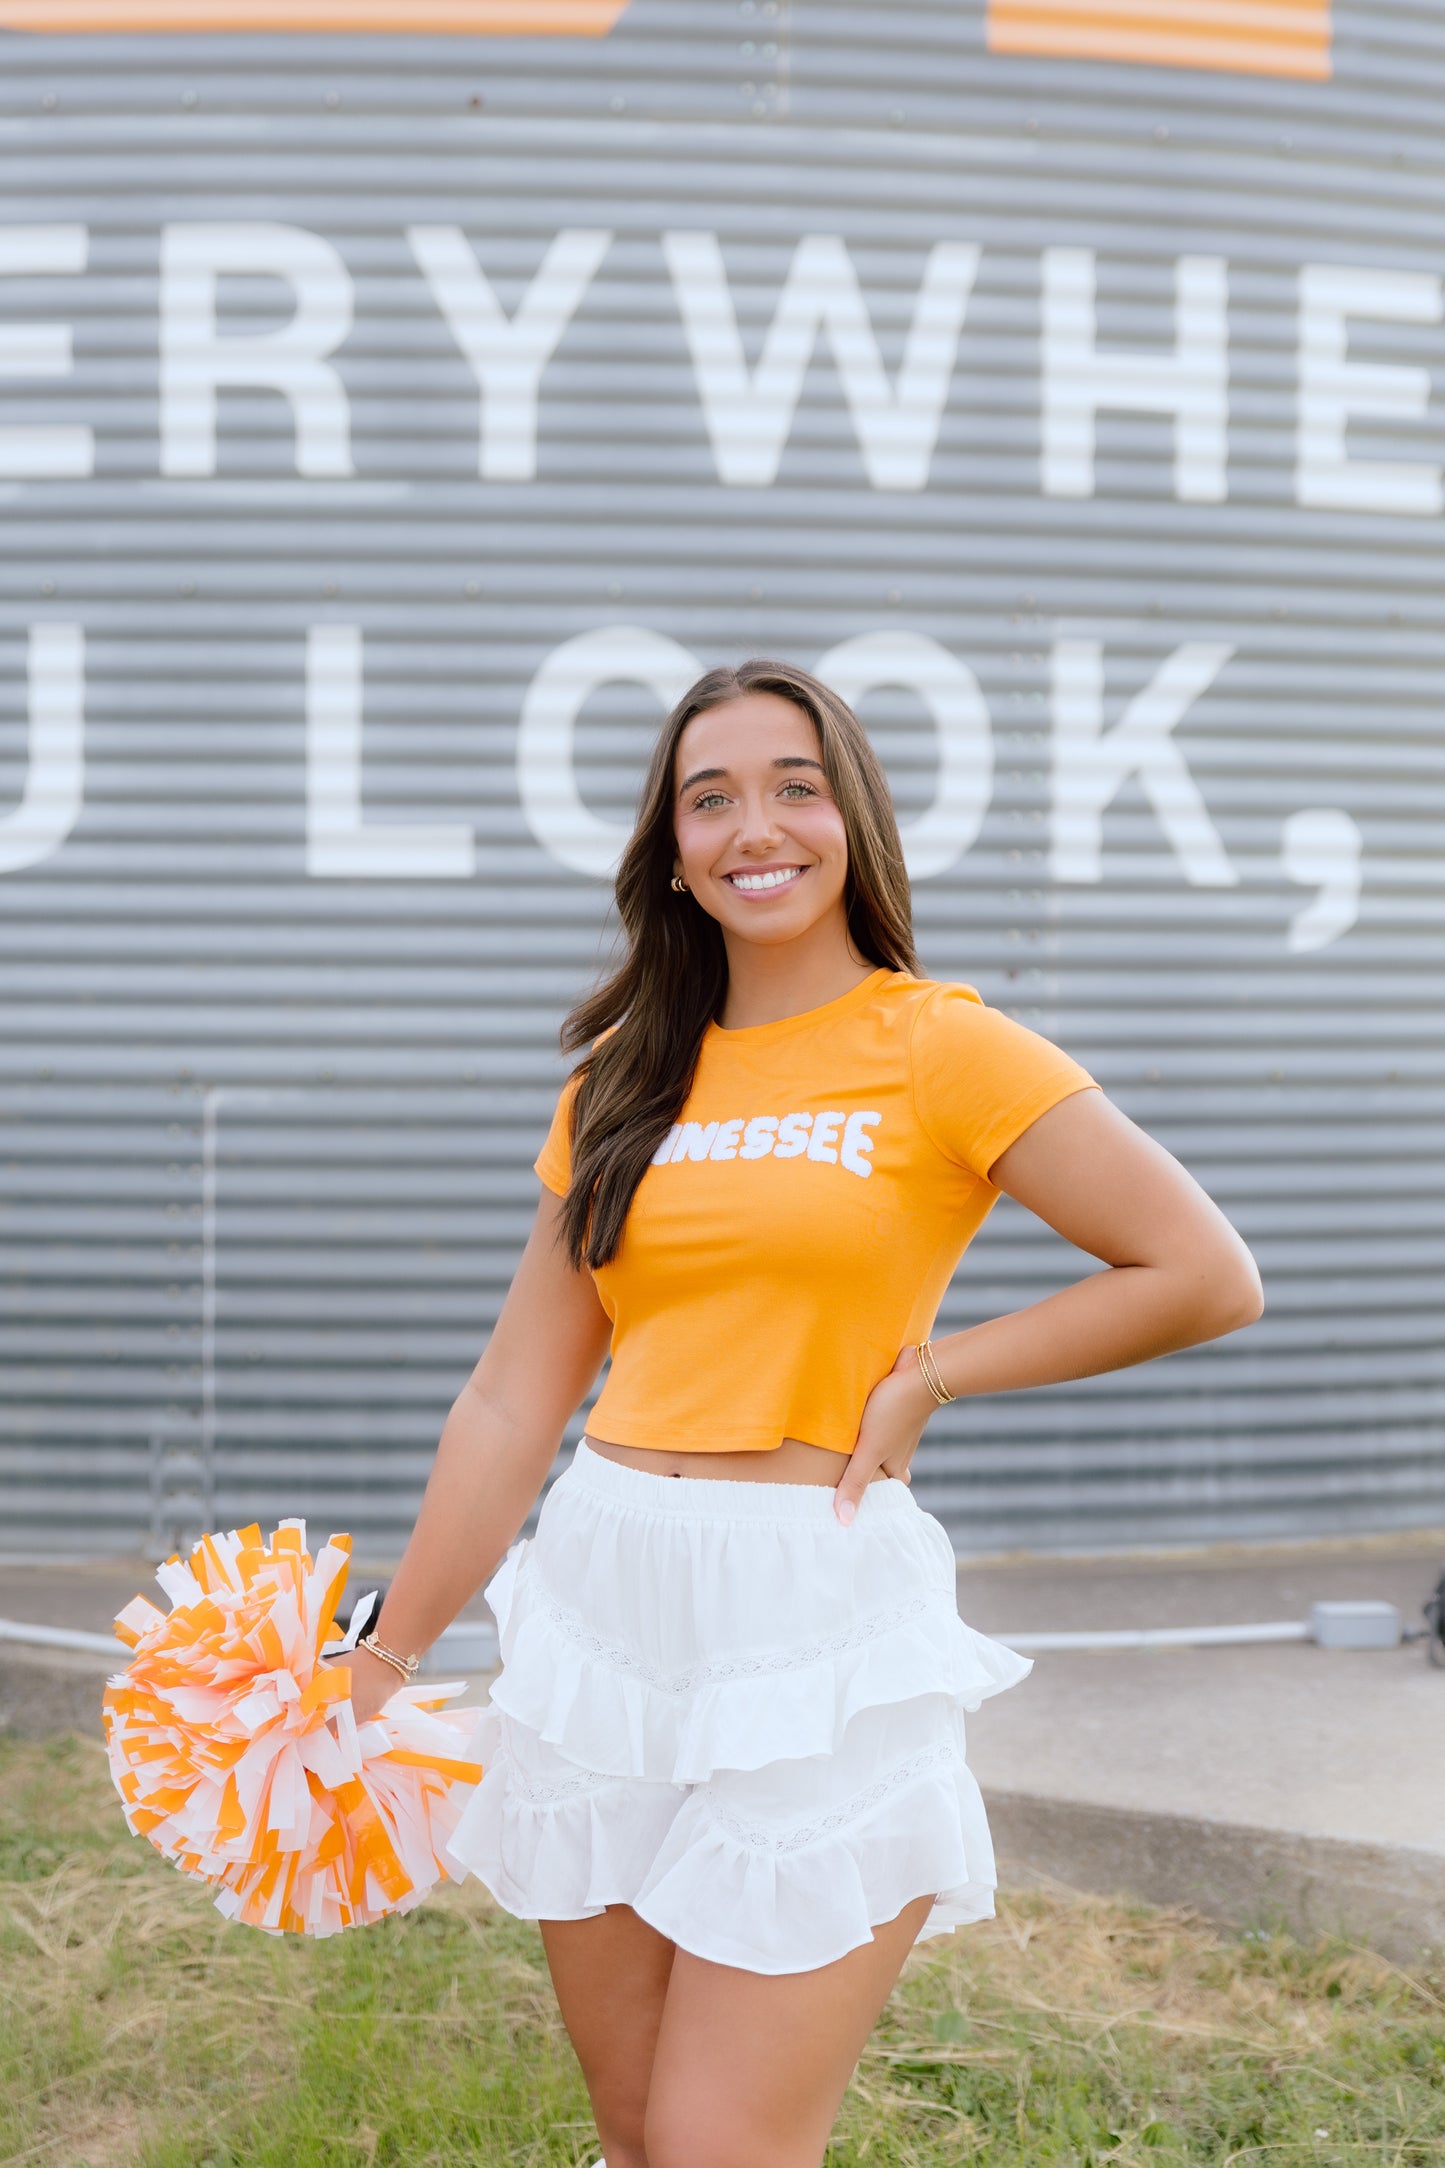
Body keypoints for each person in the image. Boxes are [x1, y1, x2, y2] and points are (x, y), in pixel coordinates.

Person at [341, 658, 1263, 2168]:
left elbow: (1199, 1271)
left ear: (851, 819)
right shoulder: (623, 1082)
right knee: (637, 2132)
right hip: (604, 1597)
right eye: (709, 798)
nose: (752, 827)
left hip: (811, 1610)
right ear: (672, 852)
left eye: (793, 784)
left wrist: (938, 1371)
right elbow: (515, 1396)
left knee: (720, 2146)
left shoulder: (939, 1045)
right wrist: (388, 1653)